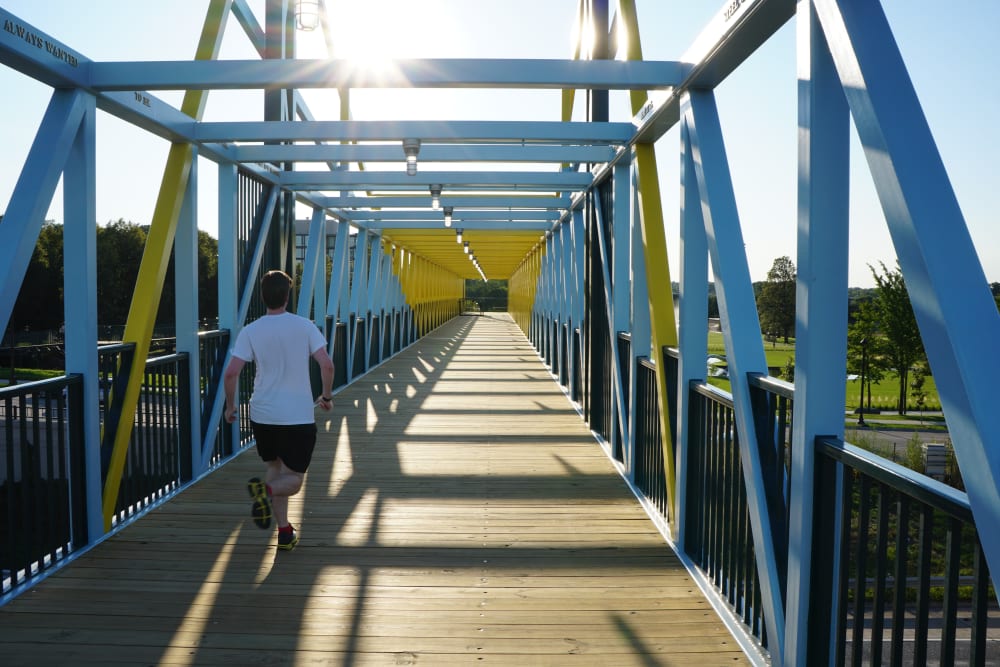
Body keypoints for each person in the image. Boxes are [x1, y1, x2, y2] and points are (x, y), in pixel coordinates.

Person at [222, 270, 335, 551]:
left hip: (263, 413)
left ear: (263, 298)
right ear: (287, 296)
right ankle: (265, 491)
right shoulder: (305, 326)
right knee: (293, 479)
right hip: (296, 415)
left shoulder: (251, 331)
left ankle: (284, 532)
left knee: (275, 468)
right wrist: (326, 395)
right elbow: (327, 365)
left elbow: (231, 373)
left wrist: (231, 405)